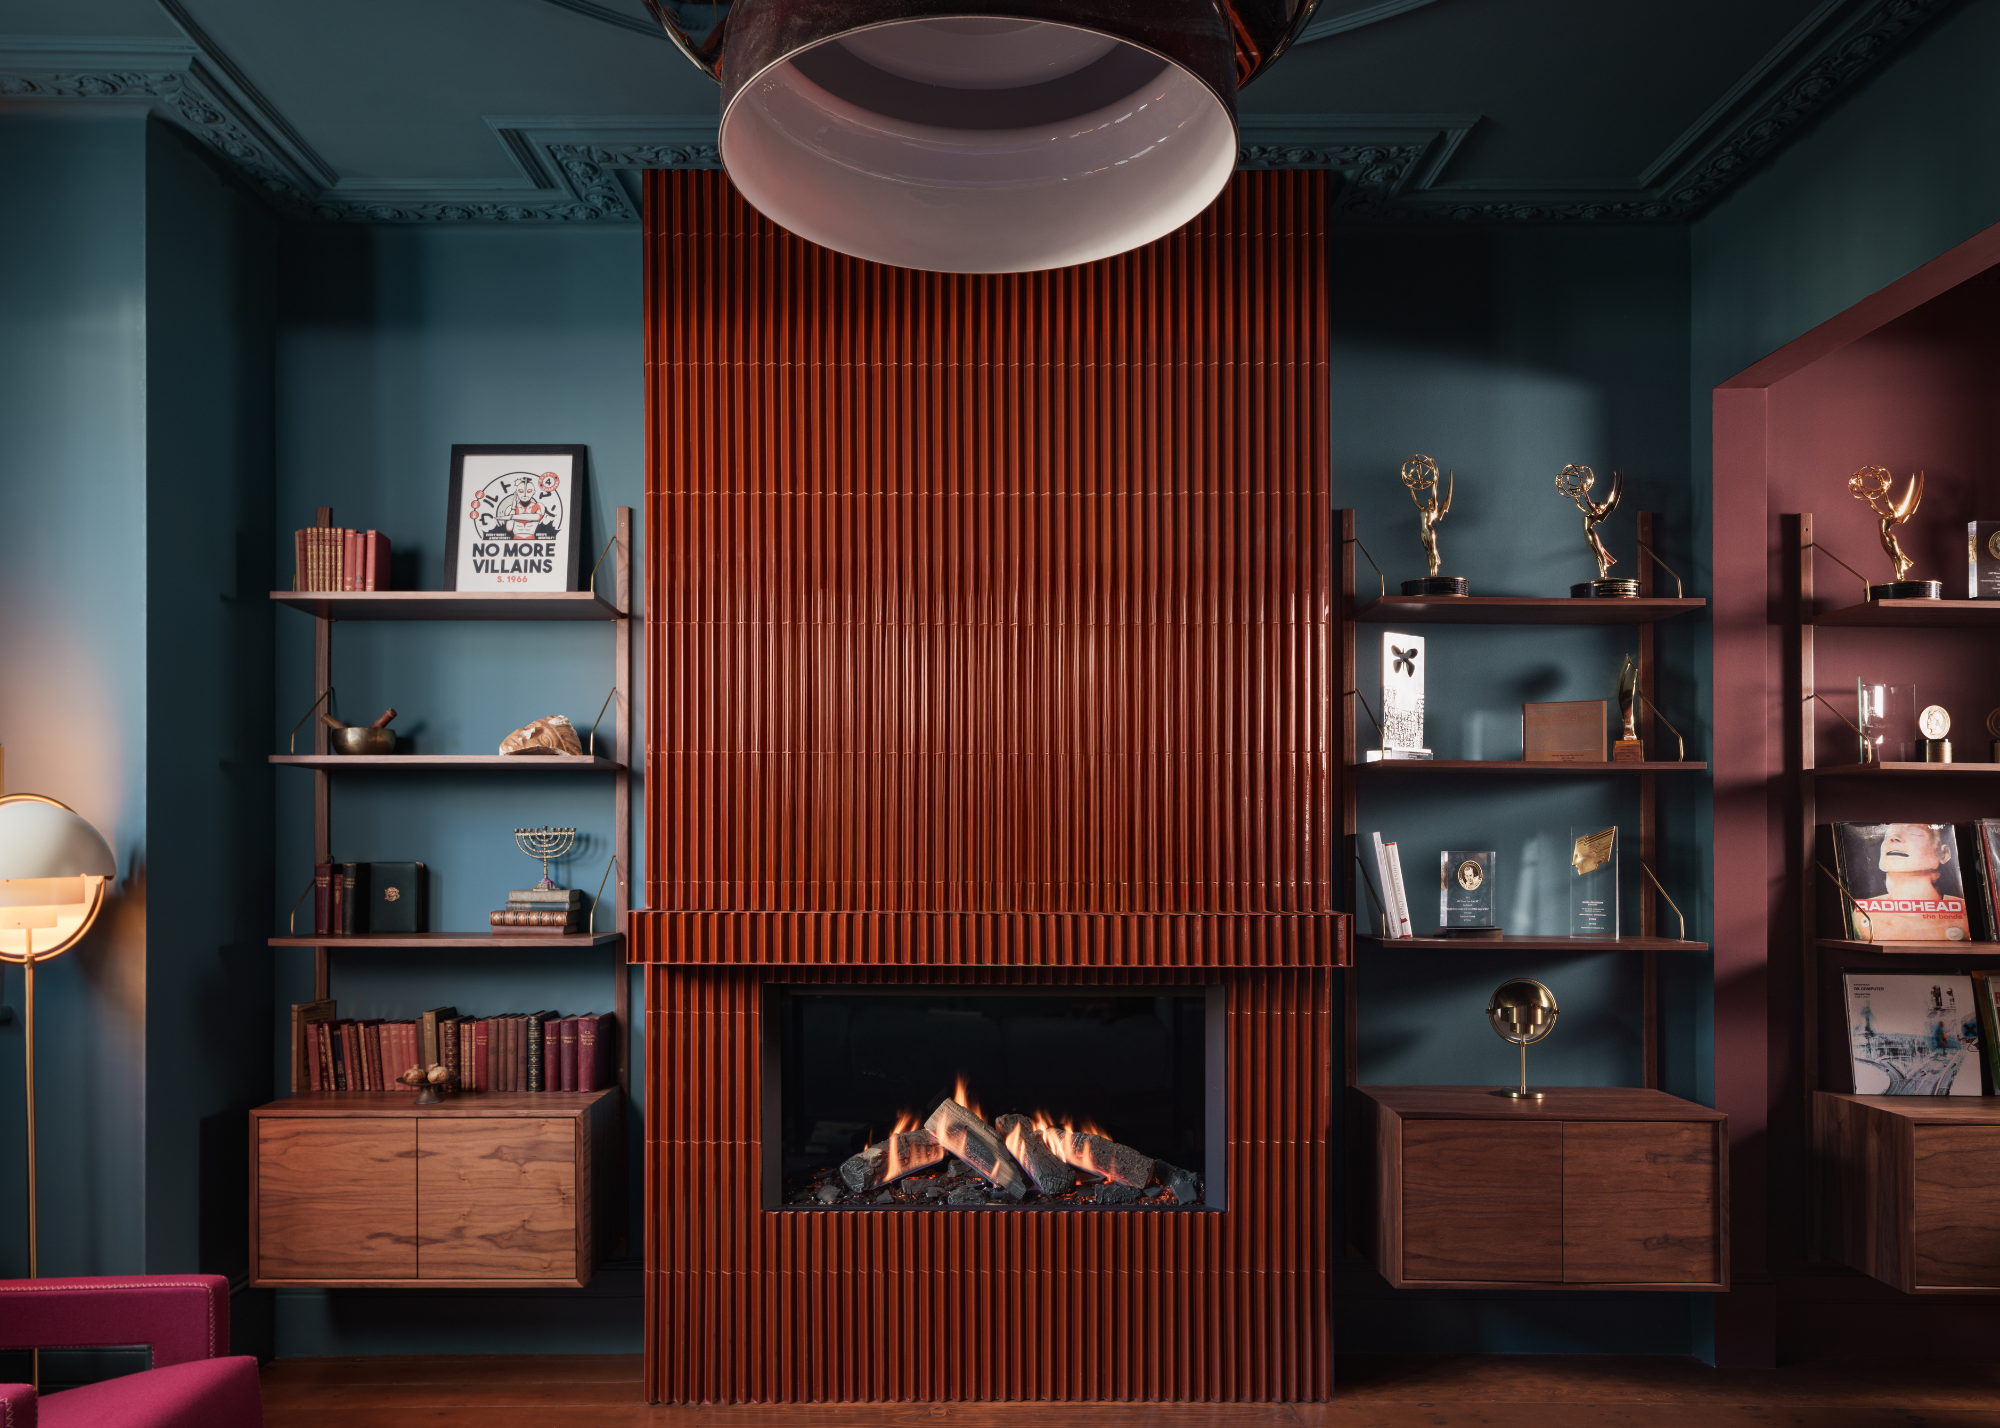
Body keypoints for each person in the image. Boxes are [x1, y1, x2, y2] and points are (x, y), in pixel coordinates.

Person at [1852, 823, 1969, 941]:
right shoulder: (1862, 913)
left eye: (1914, 833)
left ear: (1943, 854)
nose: (1894, 838)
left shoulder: (1964, 914)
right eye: (1887, 835)